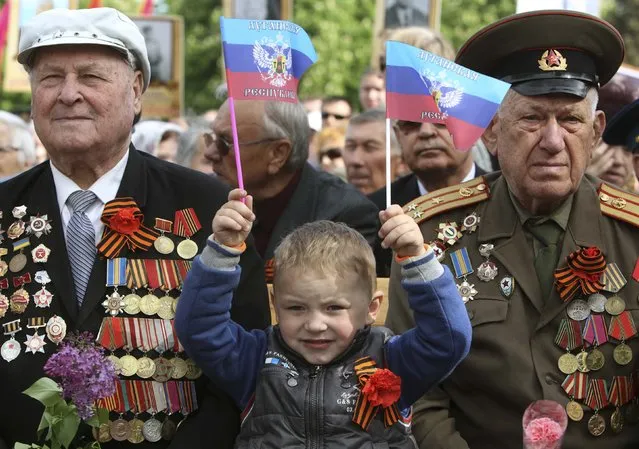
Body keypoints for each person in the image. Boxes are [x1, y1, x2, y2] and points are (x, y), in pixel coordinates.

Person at [0, 8, 269, 449]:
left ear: (137, 91)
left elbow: (244, 366)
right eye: (50, 78)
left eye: (91, 77)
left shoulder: (206, 209)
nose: (69, 94)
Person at [386, 10, 639, 449]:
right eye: (532, 119)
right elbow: (413, 387)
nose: (553, 140)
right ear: (491, 132)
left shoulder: (632, 233)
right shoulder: (429, 233)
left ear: (596, 131)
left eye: (571, 120)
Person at [175, 188, 472, 449]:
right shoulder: (255, 359)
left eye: (333, 308)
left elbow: (448, 339)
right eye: (296, 308)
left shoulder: (391, 359)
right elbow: (200, 328)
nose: (315, 325)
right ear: (274, 304)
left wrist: (417, 259)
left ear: (371, 308)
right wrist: (222, 251)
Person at [206, 98, 380, 280]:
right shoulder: (206, 197)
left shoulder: (344, 214)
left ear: (278, 153)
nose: (209, 152)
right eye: (210, 138)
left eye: (225, 143)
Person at [343, 109, 402, 195]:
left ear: (402, 161)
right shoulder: (327, 203)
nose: (355, 160)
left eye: (370, 147)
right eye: (351, 146)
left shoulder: (418, 205)